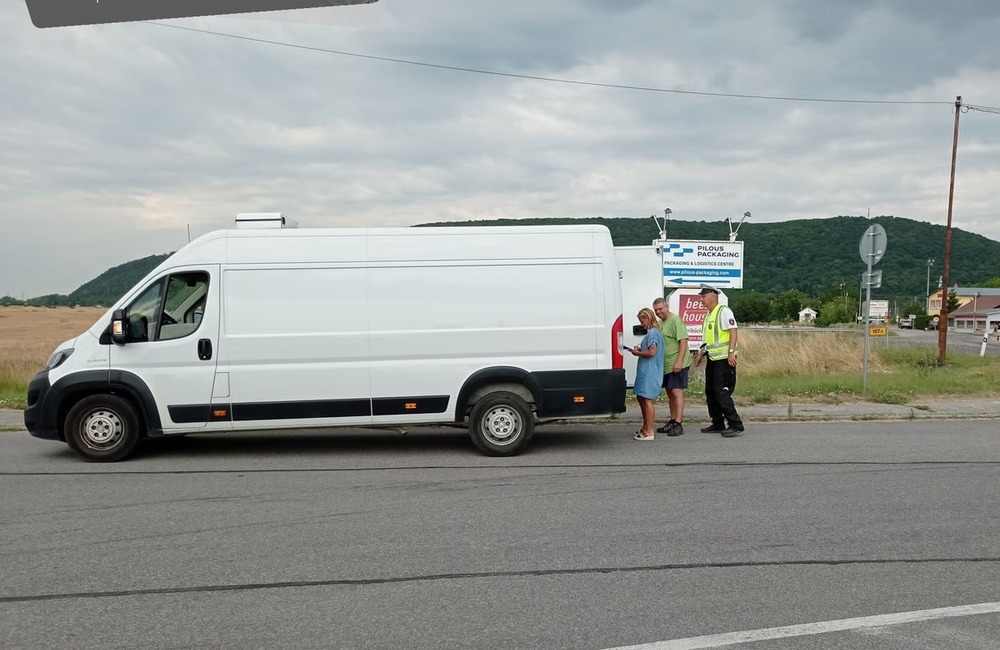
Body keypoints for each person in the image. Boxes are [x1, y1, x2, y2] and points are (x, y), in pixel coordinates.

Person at [692, 284, 745, 437]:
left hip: (724, 360)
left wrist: (731, 353)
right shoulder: (709, 315)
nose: (701, 300)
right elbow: (708, 339)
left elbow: (733, 331)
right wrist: (701, 353)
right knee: (710, 392)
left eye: (703, 296)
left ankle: (735, 424)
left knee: (721, 392)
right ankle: (718, 422)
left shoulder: (724, 311)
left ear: (713, 296)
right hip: (712, 358)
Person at [652, 296, 691, 436]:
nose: (658, 312)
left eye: (660, 309)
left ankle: (679, 423)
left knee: (676, 391)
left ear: (666, 307)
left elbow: (683, 341)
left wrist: (679, 361)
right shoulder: (660, 323)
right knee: (669, 392)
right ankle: (673, 420)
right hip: (666, 364)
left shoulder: (675, 320)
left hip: (677, 363)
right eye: (656, 310)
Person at [626, 307, 664, 440]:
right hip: (648, 370)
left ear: (648, 318)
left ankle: (649, 430)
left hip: (650, 371)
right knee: (641, 397)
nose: (642, 325)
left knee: (647, 399)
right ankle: (645, 426)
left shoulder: (653, 333)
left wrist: (637, 353)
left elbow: (652, 352)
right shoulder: (654, 333)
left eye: (642, 321)